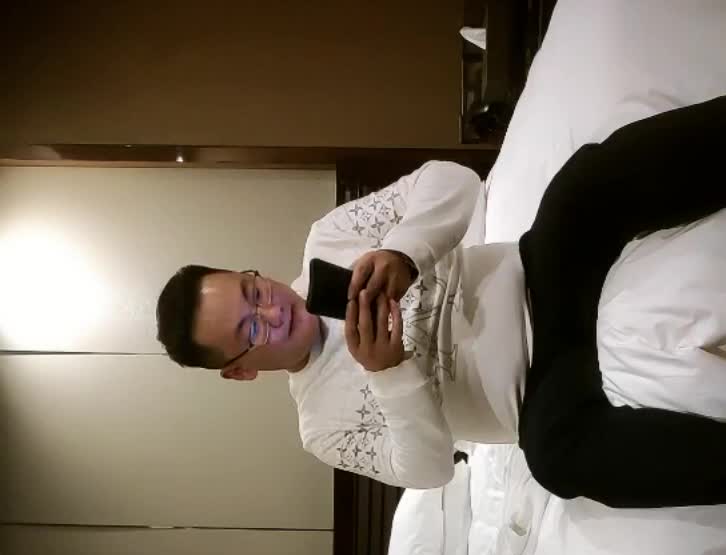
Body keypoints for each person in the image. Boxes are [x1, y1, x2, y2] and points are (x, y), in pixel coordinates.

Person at [156, 96, 726, 507]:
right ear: (240, 371)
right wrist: (389, 375)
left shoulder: (329, 240)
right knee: (557, 462)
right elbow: (428, 472)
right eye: (251, 331)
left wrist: (404, 252)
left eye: (253, 291)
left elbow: (454, 179)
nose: (274, 311)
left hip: (539, 275)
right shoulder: (321, 427)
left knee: (582, 183)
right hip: (538, 390)